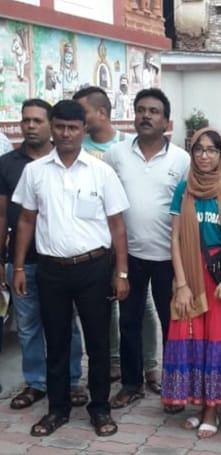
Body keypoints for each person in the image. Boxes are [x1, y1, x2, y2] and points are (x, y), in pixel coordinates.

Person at [12, 100, 130, 437]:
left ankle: (100, 409)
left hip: (94, 269)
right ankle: (57, 409)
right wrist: (18, 267)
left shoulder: (100, 171)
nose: (65, 133)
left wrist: (121, 273)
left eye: (73, 128)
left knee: (98, 343)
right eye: (60, 127)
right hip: (50, 270)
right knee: (57, 342)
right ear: (52, 127)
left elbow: (117, 226)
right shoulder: (35, 172)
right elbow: (26, 220)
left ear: (83, 130)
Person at [105, 88, 190, 410]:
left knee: (172, 324)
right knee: (129, 320)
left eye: (154, 111)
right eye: (141, 110)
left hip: (169, 257)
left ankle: (172, 384)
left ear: (166, 121)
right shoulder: (116, 155)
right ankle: (131, 384)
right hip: (129, 255)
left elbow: (188, 209)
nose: (146, 116)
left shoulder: (181, 159)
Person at [0, 99, 87, 411]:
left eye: (37, 120)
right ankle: (35, 383)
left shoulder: (66, 161)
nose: (30, 126)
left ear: (50, 124)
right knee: (27, 325)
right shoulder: (7, 164)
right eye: (26, 120)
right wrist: (4, 260)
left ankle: (72, 380)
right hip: (23, 261)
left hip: (60, 262)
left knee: (67, 324)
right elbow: (3, 216)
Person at [161, 128, 221, 438]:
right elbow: (175, 238)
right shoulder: (184, 188)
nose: (204, 156)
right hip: (190, 272)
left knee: (216, 340)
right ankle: (198, 404)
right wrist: (181, 284)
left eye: (211, 150)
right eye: (198, 149)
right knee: (190, 337)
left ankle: (212, 410)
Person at [73, 86, 160, 386]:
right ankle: (113, 362)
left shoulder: (124, 145)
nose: (77, 119)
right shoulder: (78, 146)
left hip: (130, 241)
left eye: (82, 112)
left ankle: (151, 364)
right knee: (105, 302)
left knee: (141, 305)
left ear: (101, 113)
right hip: (95, 242)